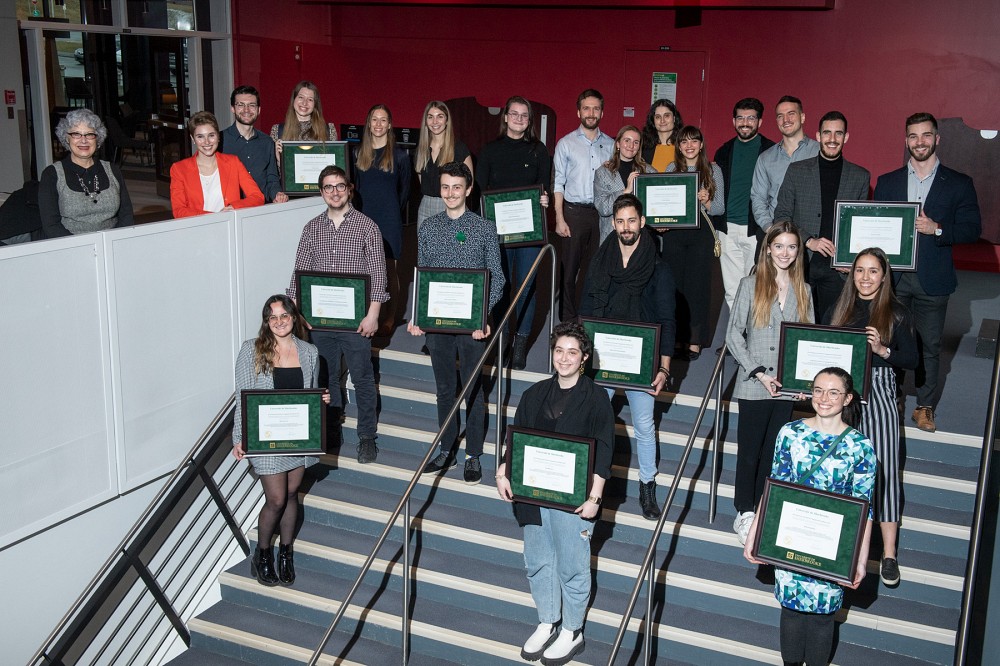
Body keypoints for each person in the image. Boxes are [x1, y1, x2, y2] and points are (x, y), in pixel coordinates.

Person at [496, 322, 614, 665]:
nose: (564, 358)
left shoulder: (596, 399)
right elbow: (514, 439)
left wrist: (594, 499)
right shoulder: (535, 394)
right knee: (537, 562)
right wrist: (503, 471)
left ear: (584, 359)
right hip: (532, 495)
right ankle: (548, 621)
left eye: (572, 352)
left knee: (572, 565)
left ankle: (572, 630)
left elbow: (604, 450)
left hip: (574, 501)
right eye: (559, 350)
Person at [743, 367, 876, 666]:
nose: (824, 398)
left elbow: (865, 508)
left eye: (833, 392)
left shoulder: (860, 446)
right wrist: (754, 534)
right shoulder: (791, 433)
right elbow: (774, 486)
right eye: (818, 390)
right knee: (790, 609)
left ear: (847, 399)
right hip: (792, 535)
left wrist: (860, 560)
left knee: (822, 616)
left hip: (832, 545)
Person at [873, 112, 982, 433]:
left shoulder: (959, 183)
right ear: (906, 141)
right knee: (889, 340)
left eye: (925, 136)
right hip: (893, 278)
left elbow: (972, 229)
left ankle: (924, 406)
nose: (919, 142)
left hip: (933, 280)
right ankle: (890, 397)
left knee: (929, 345)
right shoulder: (888, 181)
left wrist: (937, 229)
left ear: (937, 139)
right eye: (912, 136)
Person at [580, 193, 676, 520]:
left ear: (642, 222)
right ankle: (594, 483)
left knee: (645, 425)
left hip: (642, 359)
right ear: (613, 223)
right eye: (620, 221)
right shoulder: (601, 260)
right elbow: (588, 310)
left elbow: (667, 321)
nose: (625, 228)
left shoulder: (658, 269)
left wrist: (664, 368)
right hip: (604, 356)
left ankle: (647, 485)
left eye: (631, 221)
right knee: (594, 419)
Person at [408, 162, 505, 484]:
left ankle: (473, 455)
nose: (451, 193)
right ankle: (445, 448)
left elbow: (498, 278)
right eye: (446, 187)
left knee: (474, 390)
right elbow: (421, 274)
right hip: (437, 324)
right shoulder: (428, 227)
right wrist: (417, 317)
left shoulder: (484, 228)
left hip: (473, 325)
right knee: (445, 390)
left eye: (457, 187)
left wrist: (484, 316)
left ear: (468, 189)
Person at [827, 248, 918, 587]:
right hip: (842, 395)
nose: (865, 278)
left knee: (885, 472)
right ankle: (844, 544)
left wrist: (883, 351)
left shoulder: (895, 312)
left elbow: (911, 360)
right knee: (840, 470)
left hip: (878, 394)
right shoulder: (838, 308)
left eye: (873, 271)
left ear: (884, 276)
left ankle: (889, 554)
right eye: (860, 271)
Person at [286, 165, 388, 464]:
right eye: (328, 187)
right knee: (326, 377)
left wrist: (373, 315)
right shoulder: (311, 228)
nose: (334, 192)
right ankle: (332, 429)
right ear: (321, 192)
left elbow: (378, 275)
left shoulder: (367, 227)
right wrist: (296, 314)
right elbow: (298, 275)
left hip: (356, 322)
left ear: (349, 189)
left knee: (363, 378)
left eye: (339, 186)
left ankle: (367, 436)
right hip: (318, 321)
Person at [231, 295, 331, 587]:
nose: (279, 322)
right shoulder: (252, 349)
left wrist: (322, 398)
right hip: (266, 438)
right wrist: (239, 437)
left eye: (284, 316)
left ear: (294, 317)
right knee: (275, 499)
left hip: (297, 437)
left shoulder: (310, 352)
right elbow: (241, 396)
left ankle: (286, 553)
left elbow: (311, 394)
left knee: (291, 495)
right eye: (272, 317)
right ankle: (262, 554)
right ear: (266, 321)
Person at [726, 220, 814, 545]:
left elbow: (808, 339)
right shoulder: (750, 284)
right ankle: (744, 511)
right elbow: (733, 333)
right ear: (768, 248)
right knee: (749, 451)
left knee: (772, 452)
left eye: (791, 246)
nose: (785, 253)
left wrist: (805, 380)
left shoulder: (804, 291)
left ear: (798, 251)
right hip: (754, 382)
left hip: (786, 386)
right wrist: (757, 370)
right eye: (779, 246)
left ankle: (762, 509)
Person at [476, 96, 552, 370]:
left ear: (529, 121)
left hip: (530, 232)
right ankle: (502, 338)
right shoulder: (489, 151)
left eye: (524, 116)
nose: (519, 119)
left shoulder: (539, 151)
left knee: (527, 287)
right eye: (515, 114)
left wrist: (545, 201)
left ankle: (520, 343)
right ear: (505, 117)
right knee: (500, 285)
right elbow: (481, 193)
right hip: (497, 232)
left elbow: (543, 189)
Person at [774, 111, 871, 318]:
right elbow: (781, 216)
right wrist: (809, 241)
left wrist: (850, 260)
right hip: (800, 263)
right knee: (796, 323)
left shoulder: (860, 176)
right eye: (827, 133)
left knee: (833, 327)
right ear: (818, 136)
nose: (832, 139)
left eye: (838, 134)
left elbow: (861, 228)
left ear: (846, 137)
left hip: (838, 271)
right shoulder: (796, 171)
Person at [552, 89, 615, 322]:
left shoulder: (611, 145)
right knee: (569, 270)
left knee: (595, 268)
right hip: (574, 213)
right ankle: (567, 319)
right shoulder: (566, 144)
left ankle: (587, 316)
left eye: (596, 108)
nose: (591, 113)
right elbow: (558, 182)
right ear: (579, 111)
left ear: (602, 112)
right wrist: (559, 218)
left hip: (601, 214)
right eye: (586, 108)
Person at [664, 125, 725, 360]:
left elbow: (719, 209)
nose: (689, 146)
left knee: (698, 288)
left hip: (701, 234)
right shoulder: (672, 168)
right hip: (675, 234)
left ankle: (695, 340)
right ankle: (677, 337)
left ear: (701, 144)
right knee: (675, 286)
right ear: (679, 146)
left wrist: (707, 201)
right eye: (684, 142)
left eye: (694, 141)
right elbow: (665, 203)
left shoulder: (713, 170)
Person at [712, 97, 776, 309]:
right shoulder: (724, 151)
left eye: (751, 118)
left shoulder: (771, 151)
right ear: (734, 121)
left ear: (760, 121)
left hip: (755, 230)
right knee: (732, 291)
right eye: (740, 118)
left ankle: (753, 340)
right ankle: (736, 340)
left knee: (756, 288)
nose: (745, 122)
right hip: (726, 229)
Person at [353, 104, 412, 334]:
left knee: (389, 270)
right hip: (364, 218)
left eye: (383, 120)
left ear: (389, 125)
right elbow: (355, 189)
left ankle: (389, 317)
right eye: (374, 119)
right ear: (369, 124)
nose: (378, 124)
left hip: (389, 220)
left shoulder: (399, 156)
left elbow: (405, 192)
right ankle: (369, 314)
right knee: (364, 269)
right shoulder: (358, 153)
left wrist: (392, 212)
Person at [40, 109, 134, 237]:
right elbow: (51, 225)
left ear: (97, 139)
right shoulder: (52, 174)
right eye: (76, 134)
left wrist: (116, 241)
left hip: (111, 242)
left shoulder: (112, 170)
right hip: (70, 246)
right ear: (66, 138)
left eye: (90, 134)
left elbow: (126, 214)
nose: (83, 140)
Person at [170, 111, 265, 218]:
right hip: (198, 228)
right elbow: (178, 211)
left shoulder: (233, 162)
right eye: (200, 137)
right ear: (193, 139)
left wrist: (234, 207)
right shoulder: (179, 169)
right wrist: (216, 218)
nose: (207, 142)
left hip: (230, 226)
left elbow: (257, 197)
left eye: (211, 135)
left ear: (218, 136)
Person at [750, 96, 819, 231]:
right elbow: (758, 198)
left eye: (791, 114)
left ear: (802, 117)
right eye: (780, 116)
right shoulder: (766, 158)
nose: (786, 120)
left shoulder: (819, 152)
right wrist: (770, 229)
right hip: (775, 232)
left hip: (811, 235)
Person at [220, 85, 288, 203]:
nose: (246, 110)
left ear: (258, 110)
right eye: (240, 105)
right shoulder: (220, 140)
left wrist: (277, 194)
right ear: (233, 108)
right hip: (230, 211)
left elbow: (272, 179)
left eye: (252, 105)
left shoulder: (267, 142)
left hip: (260, 210)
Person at [414, 101, 473, 225]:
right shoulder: (421, 150)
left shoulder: (459, 148)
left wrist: (454, 204)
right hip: (425, 207)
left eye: (440, 116)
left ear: (447, 120)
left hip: (452, 206)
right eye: (430, 117)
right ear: (426, 121)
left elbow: (469, 183)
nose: (435, 121)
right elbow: (423, 182)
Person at [594, 124, 654, 243]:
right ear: (618, 144)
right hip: (612, 237)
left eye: (636, 142)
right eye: (627, 140)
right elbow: (602, 208)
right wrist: (625, 191)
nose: (631, 146)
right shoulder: (603, 172)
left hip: (642, 237)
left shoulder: (649, 171)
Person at [270, 81, 338, 159]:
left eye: (310, 99)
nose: (304, 103)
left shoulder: (329, 130)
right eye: (301, 97)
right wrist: (279, 160)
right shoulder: (277, 130)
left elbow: (334, 165)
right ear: (294, 99)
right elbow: (272, 168)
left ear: (315, 104)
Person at [640, 99, 683, 172]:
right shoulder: (643, 148)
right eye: (658, 117)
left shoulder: (684, 146)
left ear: (674, 118)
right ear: (653, 121)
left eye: (666, 116)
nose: (662, 120)